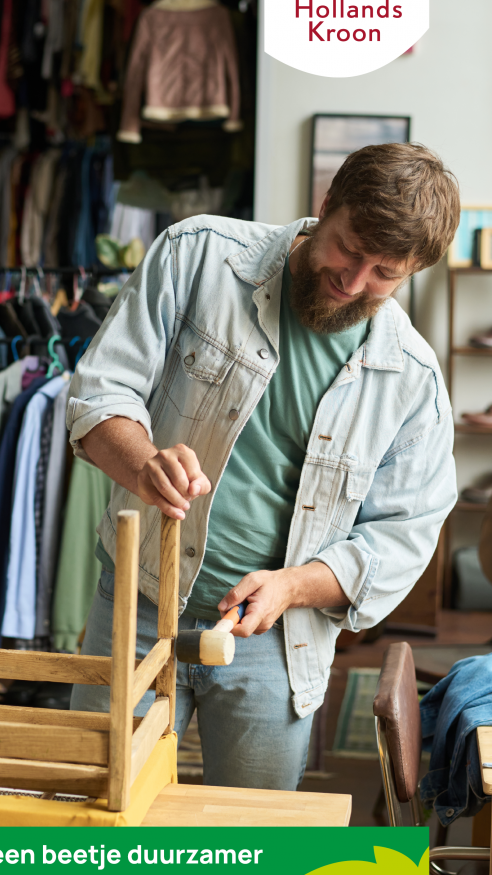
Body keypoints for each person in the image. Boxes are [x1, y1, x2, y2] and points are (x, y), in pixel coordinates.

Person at [66, 143, 460, 790]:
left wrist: (292, 586)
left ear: (413, 270)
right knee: (100, 822)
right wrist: (144, 466)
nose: (355, 281)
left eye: (385, 273)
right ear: (325, 204)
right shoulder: (196, 255)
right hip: (137, 605)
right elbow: (100, 390)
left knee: (248, 857)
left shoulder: (411, 380)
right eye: (348, 248)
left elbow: (404, 533)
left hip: (278, 642)